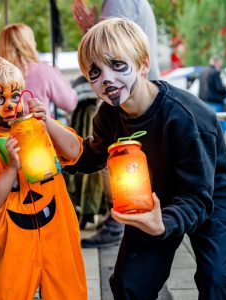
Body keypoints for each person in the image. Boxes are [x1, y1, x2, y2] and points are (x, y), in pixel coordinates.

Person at [70, 17, 226, 299]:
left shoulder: (185, 117)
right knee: (129, 282)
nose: (106, 77)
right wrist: (56, 155)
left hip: (209, 196)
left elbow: (197, 196)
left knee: (217, 279)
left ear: (144, 64)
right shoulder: (109, 114)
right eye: (94, 72)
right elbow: (93, 154)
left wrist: (164, 224)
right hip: (153, 199)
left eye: (117, 65)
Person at [0, 56, 87, 300]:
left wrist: (47, 122)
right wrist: (11, 168)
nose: (10, 106)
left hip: (58, 241)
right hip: (15, 251)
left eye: (15, 96)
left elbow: (74, 151)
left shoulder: (39, 131)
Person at [71, 0, 160, 248]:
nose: (105, 77)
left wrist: (90, 29)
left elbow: (109, 49)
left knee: (119, 159)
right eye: (94, 73)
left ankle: (118, 220)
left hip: (132, 101)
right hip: (135, 97)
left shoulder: (117, 2)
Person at [0, 23, 77, 116]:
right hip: (38, 128)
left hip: (4, 130)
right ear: (29, 44)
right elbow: (70, 104)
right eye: (33, 40)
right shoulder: (45, 70)